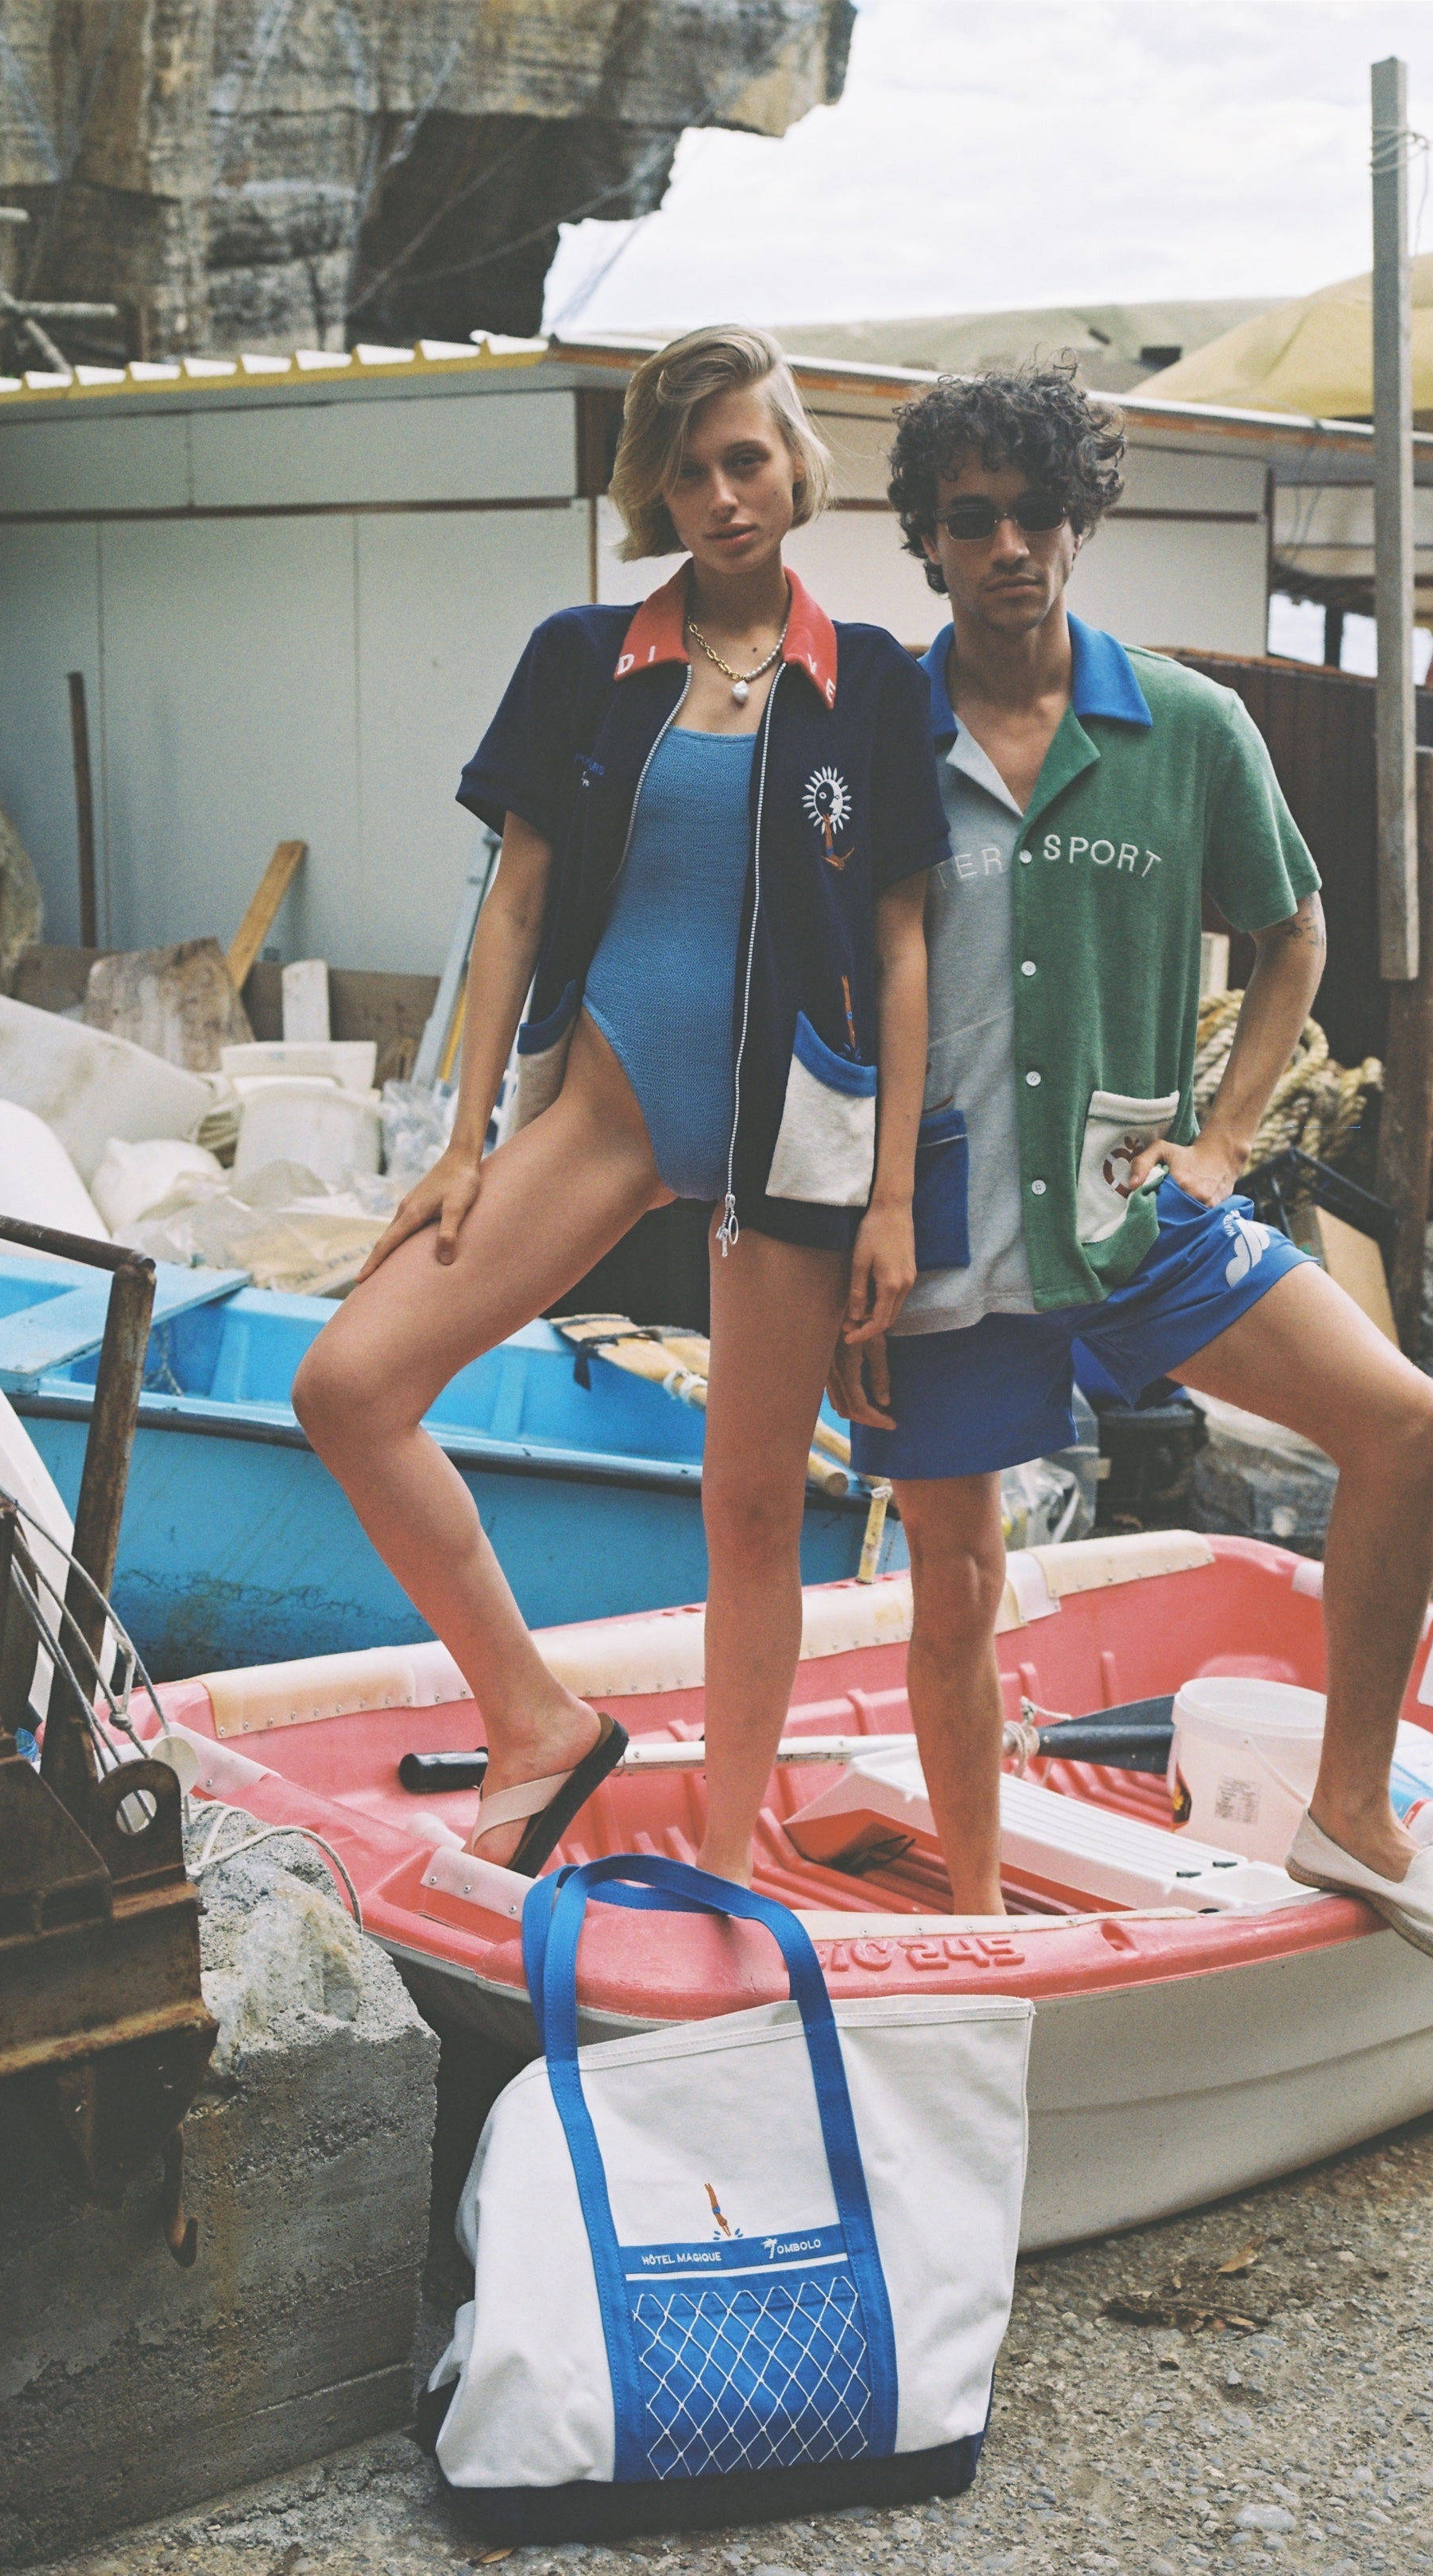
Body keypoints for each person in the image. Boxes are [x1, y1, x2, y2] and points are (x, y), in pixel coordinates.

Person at [830, 364, 1433, 1981]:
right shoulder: (882, 737)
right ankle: (987, 1927)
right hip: (938, 1230)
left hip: (1138, 1210)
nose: (1012, 546)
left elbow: (1296, 937)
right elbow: (836, 1001)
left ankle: (1353, 1804)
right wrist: (840, 1231)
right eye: (974, 518)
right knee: (954, 1593)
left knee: (1408, 1427)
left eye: (1038, 513)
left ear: (1081, 519)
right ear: (929, 537)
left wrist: (1222, 1144)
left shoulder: (1186, 727)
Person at [294, 326, 944, 1878]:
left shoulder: (873, 686)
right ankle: (536, 1721)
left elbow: (905, 947)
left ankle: (721, 1869)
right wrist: (459, 1145)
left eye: (746, 456)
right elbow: (512, 910)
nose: (721, 491)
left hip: (794, 1148)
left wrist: (897, 1199)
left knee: (752, 1517)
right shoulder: (585, 658)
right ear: (654, 487)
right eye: (688, 465)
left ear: (794, 464)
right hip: (600, 1114)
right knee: (347, 1387)